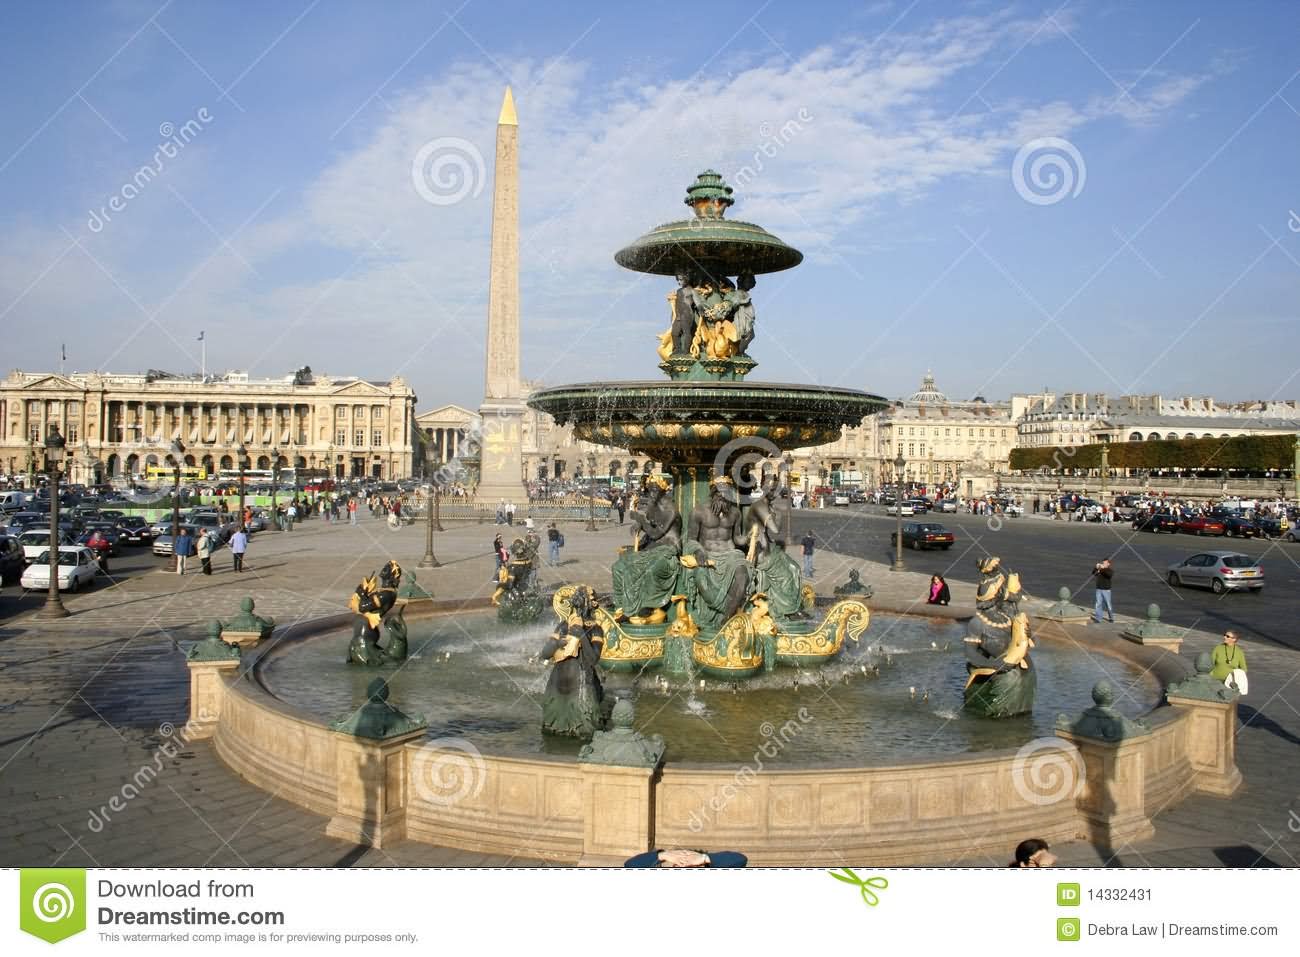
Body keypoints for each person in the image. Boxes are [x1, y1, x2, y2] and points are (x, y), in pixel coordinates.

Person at [1092, 558, 1114, 623]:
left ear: (1108, 564)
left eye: (1105, 563)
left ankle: (1111, 618)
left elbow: (1108, 575)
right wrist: (1096, 568)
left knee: (1108, 604)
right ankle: (1098, 618)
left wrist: (1102, 568)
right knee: (1098, 604)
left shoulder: (1110, 570)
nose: (1103, 564)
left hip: (1106, 590)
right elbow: (1094, 573)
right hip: (1098, 589)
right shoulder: (1100, 570)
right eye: (1103, 563)